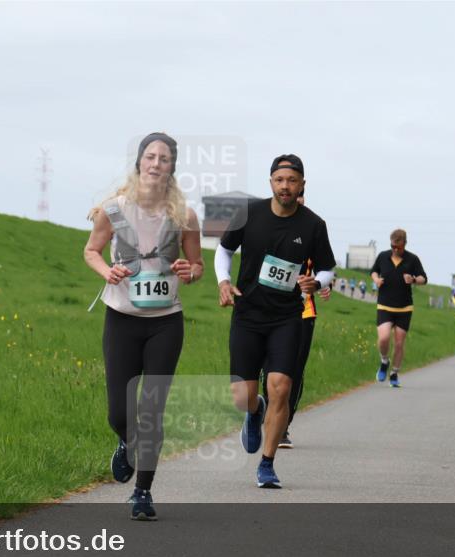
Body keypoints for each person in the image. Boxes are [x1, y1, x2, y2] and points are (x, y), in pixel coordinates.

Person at [83, 132, 204, 520]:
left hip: (165, 323)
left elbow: (197, 265)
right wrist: (108, 270)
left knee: (151, 410)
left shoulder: (183, 216)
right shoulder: (115, 209)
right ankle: (125, 441)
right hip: (121, 319)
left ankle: (142, 492)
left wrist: (190, 270)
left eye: (164, 159)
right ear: (139, 163)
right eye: (150, 157)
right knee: (119, 414)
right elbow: (91, 251)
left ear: (172, 167)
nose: (156, 164)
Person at [216, 154, 335, 489]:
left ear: (302, 185)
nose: (286, 186)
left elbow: (327, 267)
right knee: (242, 395)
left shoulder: (314, 225)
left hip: (287, 317)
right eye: (280, 180)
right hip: (248, 314)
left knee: (281, 386)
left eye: (292, 180)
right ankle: (254, 412)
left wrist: (318, 283)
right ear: (271, 182)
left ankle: (267, 464)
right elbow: (224, 250)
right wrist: (224, 281)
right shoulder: (249, 214)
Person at [262, 187, 332, 449]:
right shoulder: (269, 229)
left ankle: (283, 426)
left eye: (301, 194)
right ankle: (264, 412)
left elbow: (325, 268)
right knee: (269, 370)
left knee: (292, 371)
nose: (297, 198)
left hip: (303, 311)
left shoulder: (313, 230)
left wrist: (323, 285)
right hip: (267, 309)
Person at [370, 228, 427, 388]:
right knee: (383, 338)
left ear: (405, 244)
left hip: (404, 307)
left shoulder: (412, 259)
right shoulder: (383, 256)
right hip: (385, 305)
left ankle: (394, 373)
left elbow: (424, 278)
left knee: (399, 343)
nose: (396, 250)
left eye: (399, 247)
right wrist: (376, 280)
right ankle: (384, 361)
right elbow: (373, 271)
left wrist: (414, 279)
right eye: (393, 246)